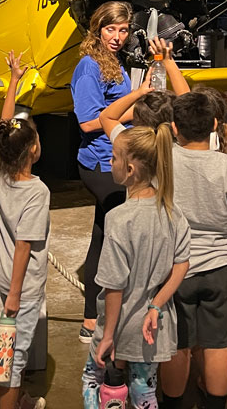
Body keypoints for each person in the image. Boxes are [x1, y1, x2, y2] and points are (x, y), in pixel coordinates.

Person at [159, 92, 227, 409]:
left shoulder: (163, 163)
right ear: (215, 124)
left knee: (177, 344)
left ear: (174, 127)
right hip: (222, 268)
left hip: (175, 269)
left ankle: (173, 404)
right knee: (219, 343)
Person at [82, 124, 190, 409]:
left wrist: (108, 336)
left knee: (94, 382)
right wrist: (156, 305)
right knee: (145, 391)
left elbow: (114, 284)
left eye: (114, 158)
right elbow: (182, 264)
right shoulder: (173, 211)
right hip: (152, 327)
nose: (110, 162)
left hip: (120, 327)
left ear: (129, 169)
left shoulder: (119, 219)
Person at [71, 1, 136, 341]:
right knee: (114, 239)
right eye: (111, 29)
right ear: (98, 29)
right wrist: (135, 110)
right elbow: (87, 121)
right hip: (99, 163)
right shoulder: (88, 66)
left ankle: (91, 318)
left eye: (123, 30)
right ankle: (100, 317)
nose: (118, 36)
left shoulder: (113, 63)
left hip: (116, 158)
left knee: (102, 236)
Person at [0, 52, 50, 409]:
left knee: (10, 345)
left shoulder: (0, 171)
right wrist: (15, 295)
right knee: (11, 356)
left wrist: (14, 80)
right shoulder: (36, 191)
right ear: (33, 149)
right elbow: (24, 246)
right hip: (22, 287)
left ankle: (19, 398)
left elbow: (4, 126)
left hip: (2, 276)